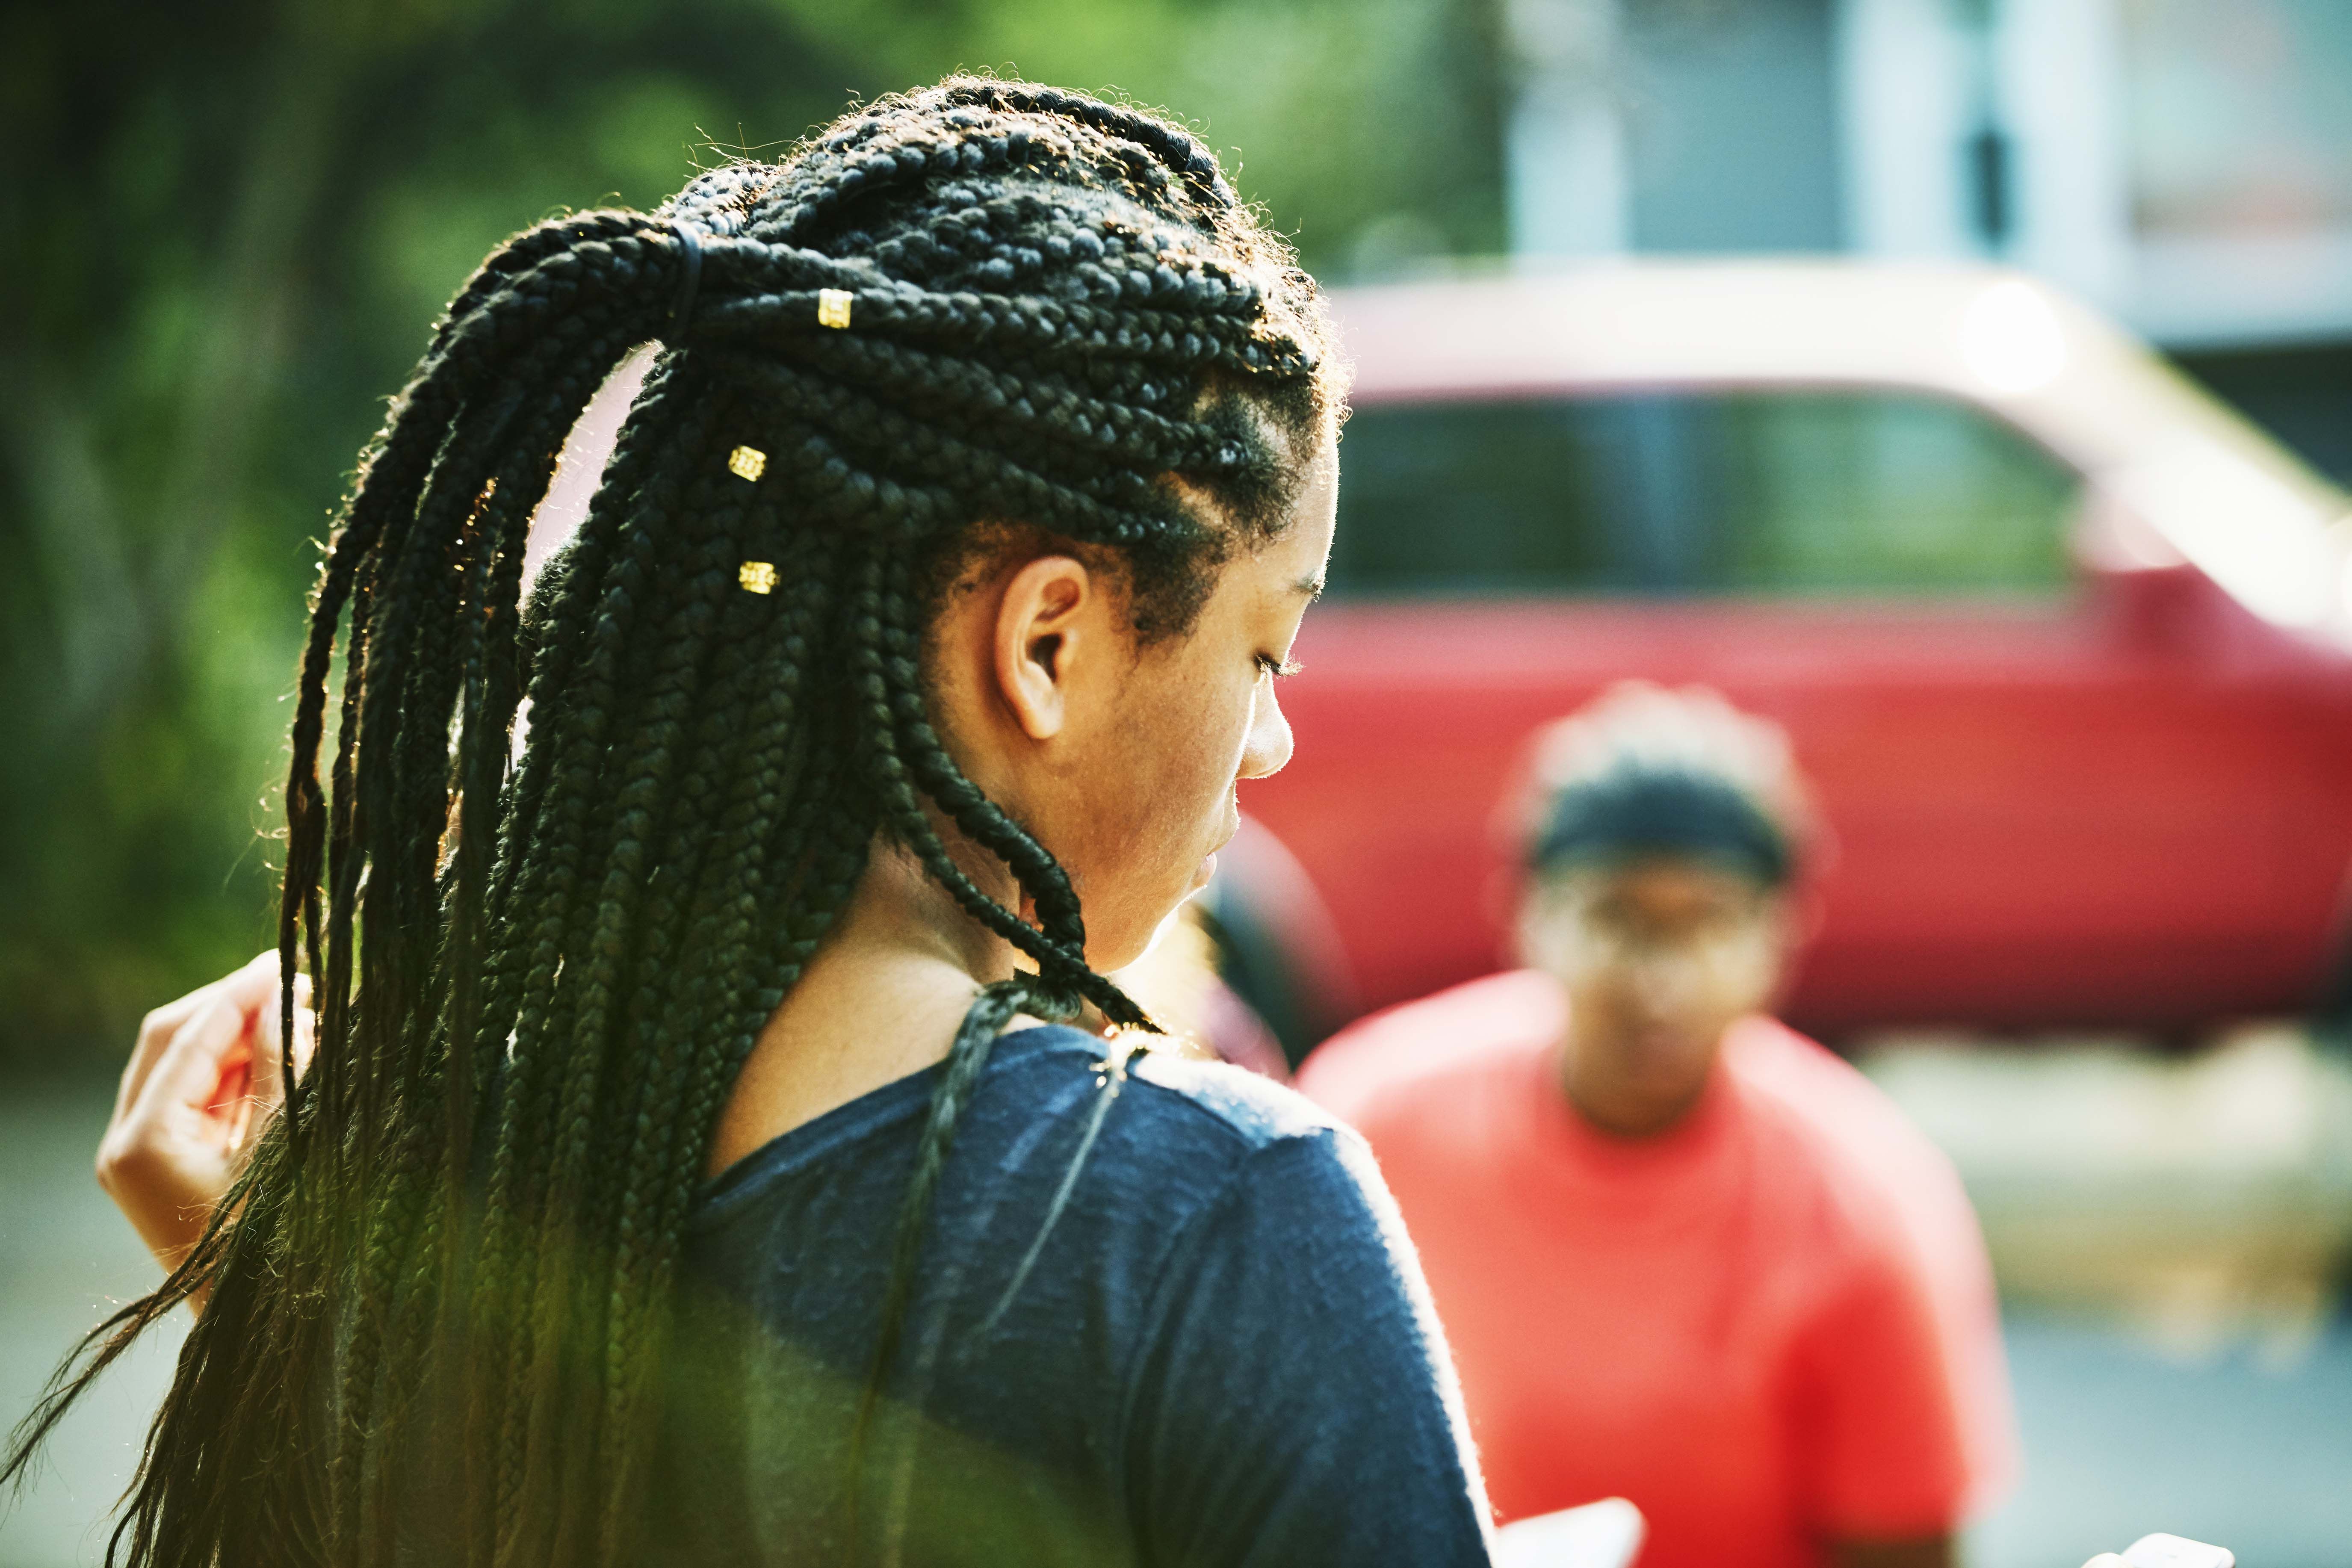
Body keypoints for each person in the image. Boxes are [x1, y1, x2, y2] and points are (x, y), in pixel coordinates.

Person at [8, 80, 1495, 1568]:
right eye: (1265, 649)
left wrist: (290, 1320)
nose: (1272, 735)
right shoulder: (1217, 1219)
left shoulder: (458, 1215)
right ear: (1045, 643)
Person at [1298, 682, 2016, 1568]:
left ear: (1779, 934)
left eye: (1708, 924)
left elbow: (1907, 1549)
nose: (1659, 982)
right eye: (1615, 918)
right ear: (1531, 914)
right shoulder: (1369, 1125)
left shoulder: (1861, 1204)